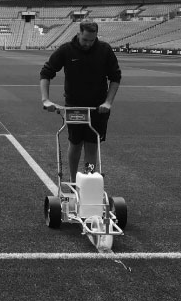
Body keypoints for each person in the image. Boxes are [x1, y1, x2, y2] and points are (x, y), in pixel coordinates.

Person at [39, 21, 121, 182]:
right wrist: (46, 99)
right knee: (75, 144)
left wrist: (108, 102)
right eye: (85, 40)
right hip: (74, 107)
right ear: (78, 34)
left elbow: (115, 77)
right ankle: (73, 180)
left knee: (91, 146)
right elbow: (46, 73)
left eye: (92, 40)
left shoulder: (104, 50)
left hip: (98, 108)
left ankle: (88, 179)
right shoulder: (66, 50)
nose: (89, 44)